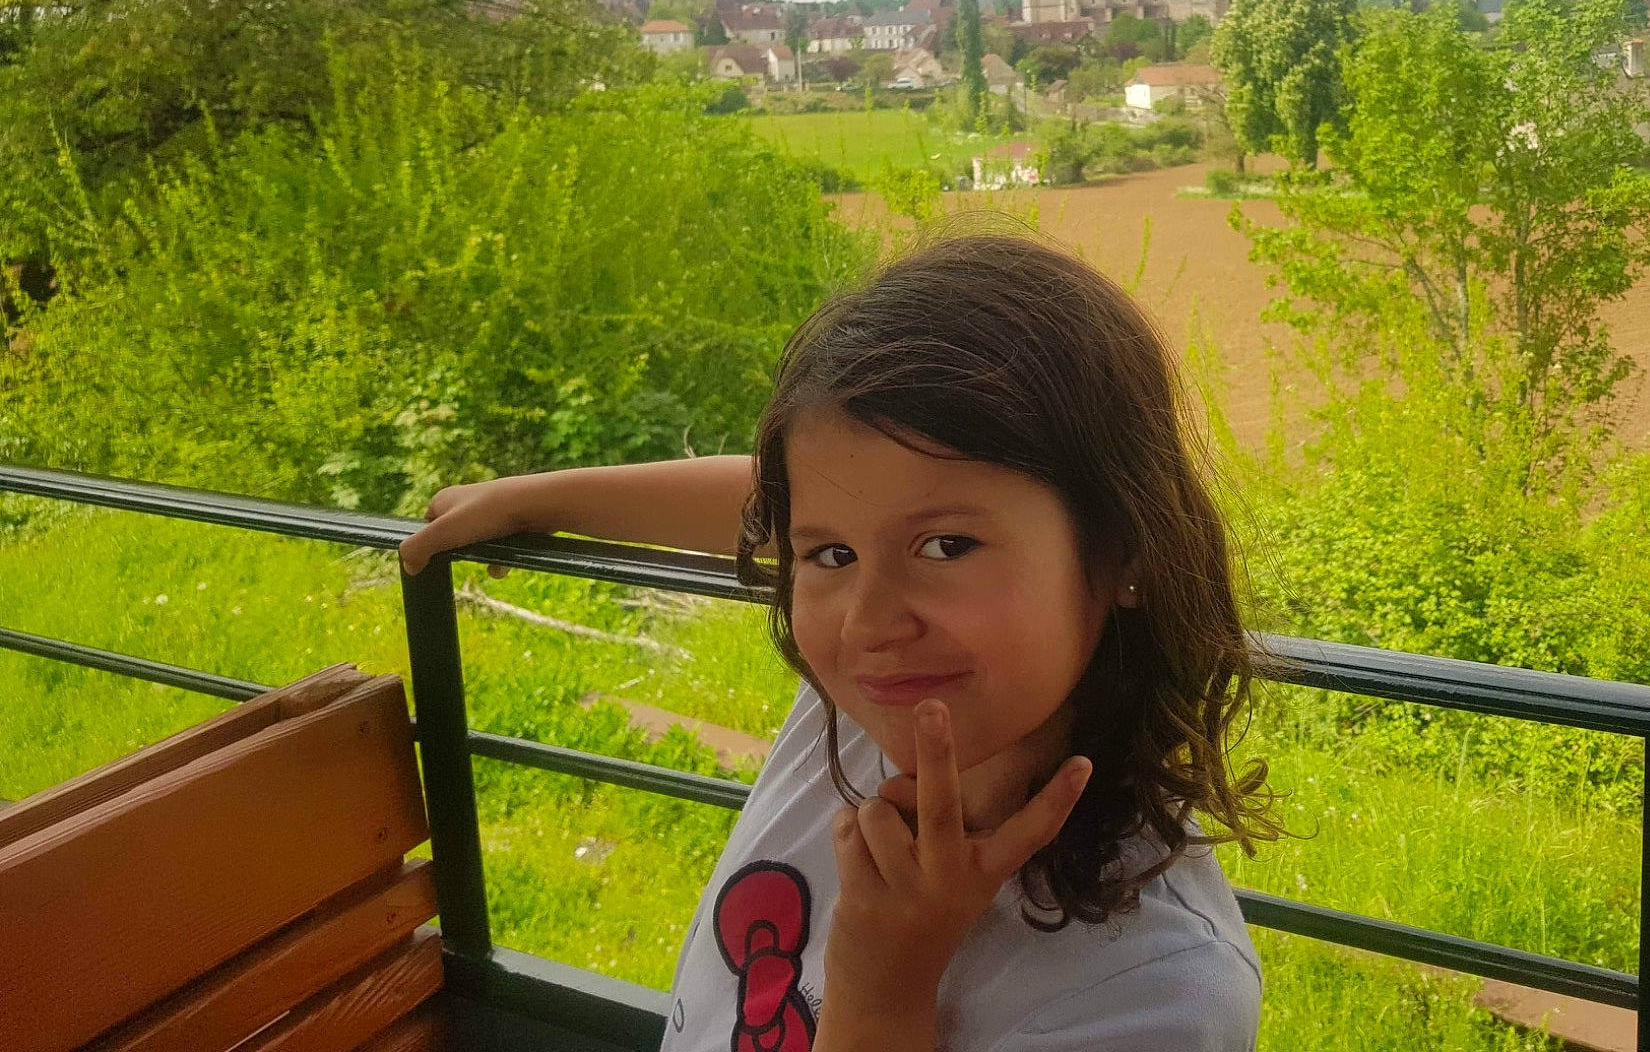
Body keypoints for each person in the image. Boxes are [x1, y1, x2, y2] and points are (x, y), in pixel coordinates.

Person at [400, 230, 1276, 1051]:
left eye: (947, 546)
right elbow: (802, 499)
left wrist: (881, 986)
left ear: (1125, 550)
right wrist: (537, 499)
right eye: (832, 556)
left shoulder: (1150, 992)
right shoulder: (883, 713)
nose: (866, 622)